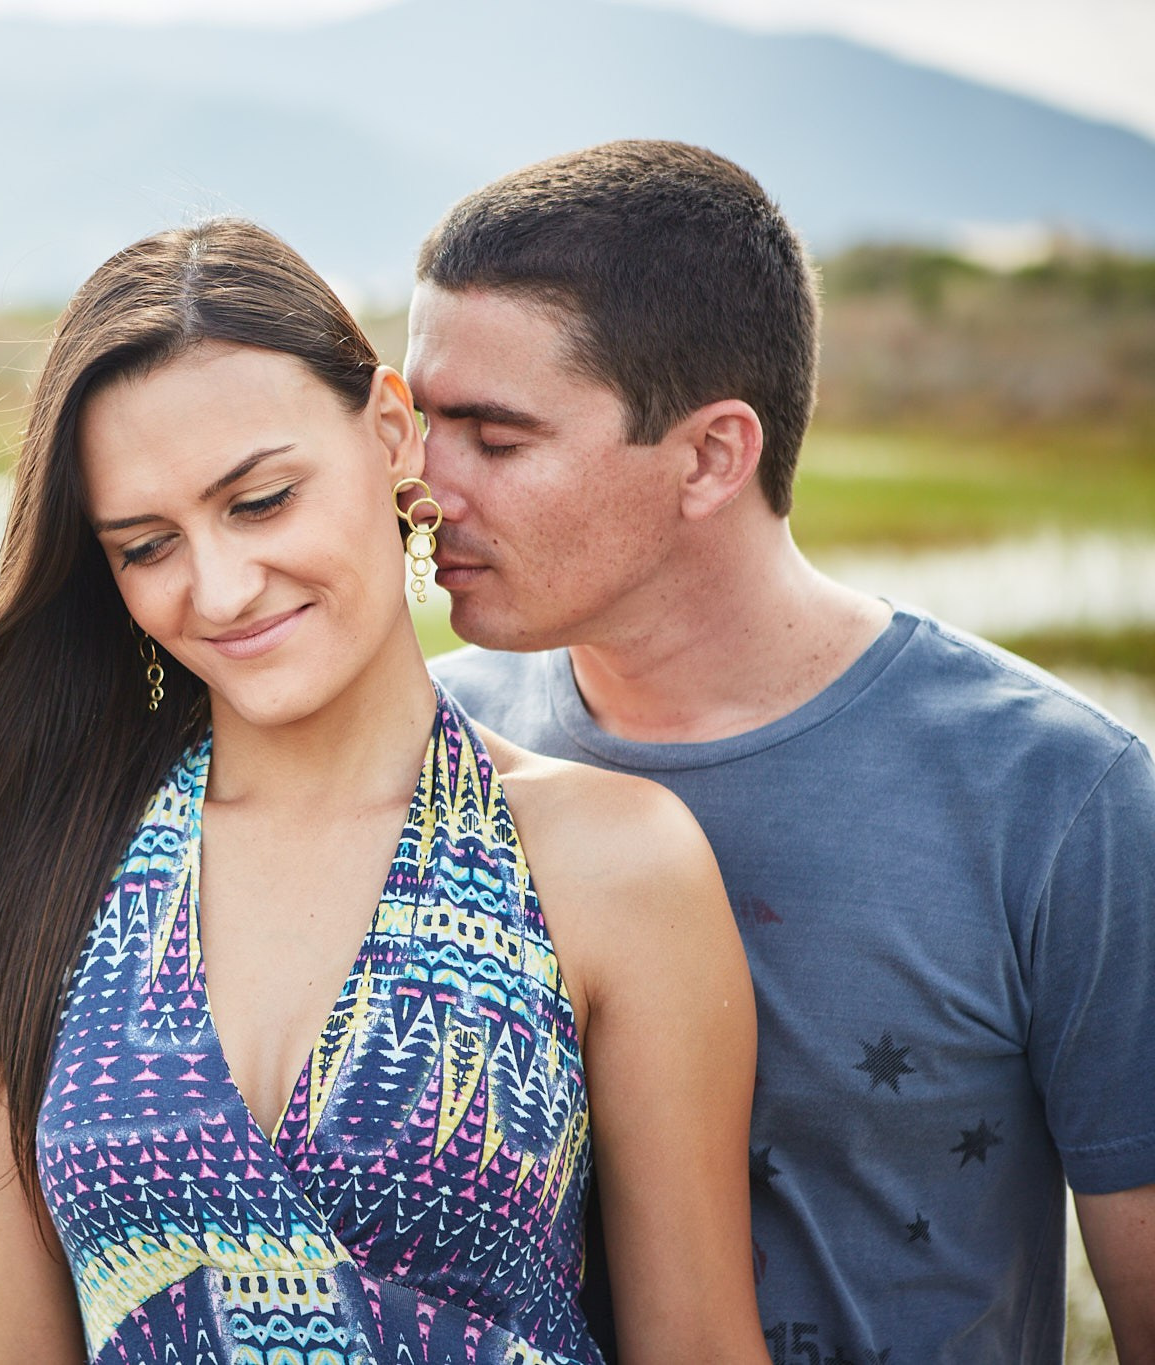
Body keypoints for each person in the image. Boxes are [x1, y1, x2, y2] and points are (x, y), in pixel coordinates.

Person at [0, 218, 770, 1365]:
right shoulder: (45, 858)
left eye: (260, 501)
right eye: (145, 546)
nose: (218, 590)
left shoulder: (610, 863)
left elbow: (699, 1347)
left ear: (386, 432)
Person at [407, 140, 1155, 1365]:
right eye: (417, 421)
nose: (423, 488)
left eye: (491, 437)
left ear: (710, 455)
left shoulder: (1051, 795)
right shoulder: (425, 752)